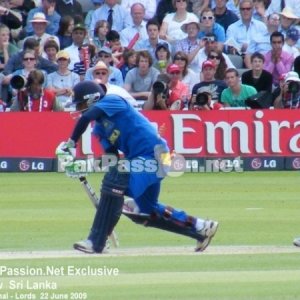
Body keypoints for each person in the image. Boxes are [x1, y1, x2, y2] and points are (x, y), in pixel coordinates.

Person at [56, 80, 218, 253]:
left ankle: (96, 241)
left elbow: (87, 117)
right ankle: (201, 228)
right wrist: (82, 166)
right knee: (145, 211)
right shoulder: (99, 130)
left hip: (156, 153)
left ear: (92, 100)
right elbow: (112, 159)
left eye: (80, 104)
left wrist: (71, 143)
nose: (78, 109)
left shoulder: (113, 100)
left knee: (116, 180)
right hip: (141, 159)